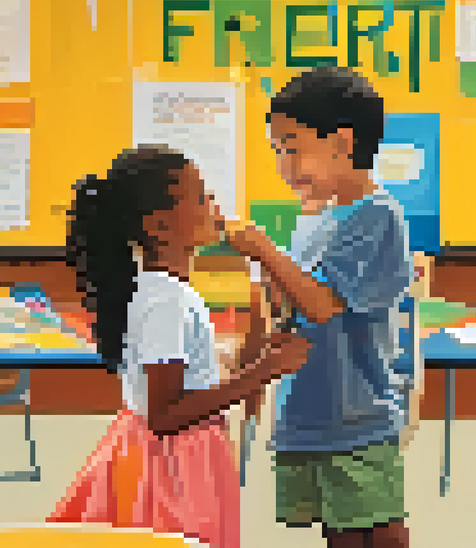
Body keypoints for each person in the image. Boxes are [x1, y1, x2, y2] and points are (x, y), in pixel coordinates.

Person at [49, 145, 312, 547]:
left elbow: (190, 388)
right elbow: (165, 414)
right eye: (200, 197)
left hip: (177, 455)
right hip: (174, 465)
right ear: (158, 226)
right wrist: (263, 373)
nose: (213, 206)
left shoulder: (166, 292)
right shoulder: (165, 300)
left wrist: (259, 361)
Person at [222, 66, 414, 548]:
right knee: (339, 534)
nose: (284, 165)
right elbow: (296, 303)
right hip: (308, 409)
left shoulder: (376, 214)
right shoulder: (316, 214)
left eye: (293, 147)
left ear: (343, 143)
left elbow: (326, 305)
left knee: (375, 532)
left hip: (357, 416)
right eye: (278, 150)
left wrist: (265, 252)